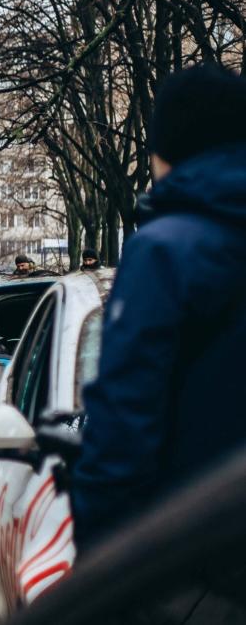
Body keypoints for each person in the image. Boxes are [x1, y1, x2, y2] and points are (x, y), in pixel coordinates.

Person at [71, 64, 246, 554]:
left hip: (195, 547)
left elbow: (125, 419)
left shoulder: (166, 251)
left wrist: (99, 558)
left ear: (167, 152)